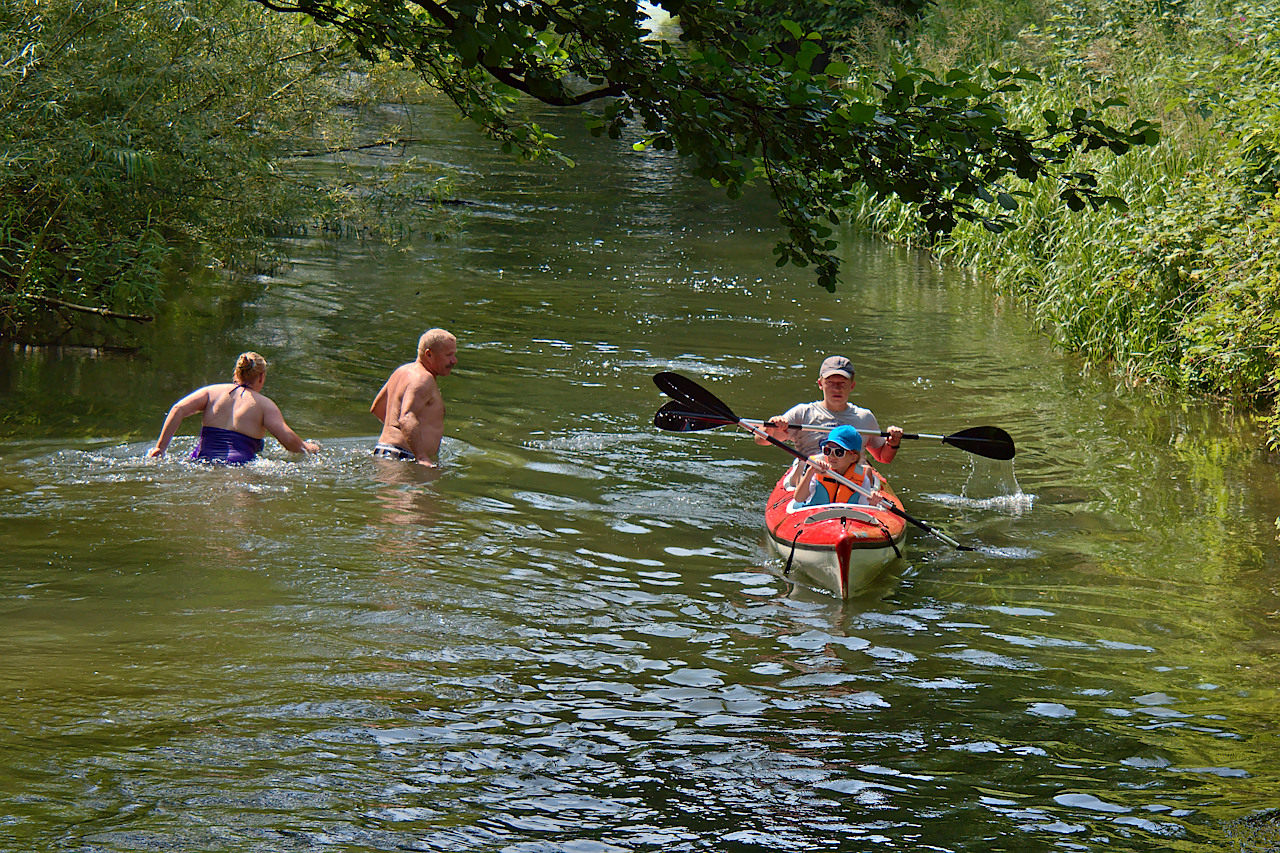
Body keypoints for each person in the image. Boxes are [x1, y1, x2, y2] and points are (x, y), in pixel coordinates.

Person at [756, 355, 903, 486]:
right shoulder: (802, 413)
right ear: (820, 384)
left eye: (842, 383)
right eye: (831, 382)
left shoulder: (864, 417)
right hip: (812, 480)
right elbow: (761, 440)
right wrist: (772, 425)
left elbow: (883, 457)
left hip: (855, 482)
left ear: (852, 386)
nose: (836, 389)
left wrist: (893, 443)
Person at [147, 352, 320, 463]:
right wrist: (307, 447)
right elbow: (288, 439)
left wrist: (160, 448)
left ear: (236, 373)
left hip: (200, 461)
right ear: (261, 377)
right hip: (238, 465)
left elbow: (178, 409)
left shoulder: (211, 392)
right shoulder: (264, 405)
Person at [371, 328, 457, 467]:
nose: (454, 361)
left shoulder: (401, 371)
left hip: (386, 453)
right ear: (428, 355)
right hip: (405, 459)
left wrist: (395, 434)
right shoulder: (424, 379)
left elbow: (377, 408)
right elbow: (406, 418)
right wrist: (422, 458)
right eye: (449, 355)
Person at [790, 426, 884, 509]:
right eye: (827, 450)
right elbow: (799, 498)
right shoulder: (817, 470)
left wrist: (872, 503)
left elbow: (863, 508)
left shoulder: (863, 479)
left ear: (853, 457)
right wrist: (810, 472)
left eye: (839, 452)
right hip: (816, 518)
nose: (831, 456)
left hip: (846, 521)